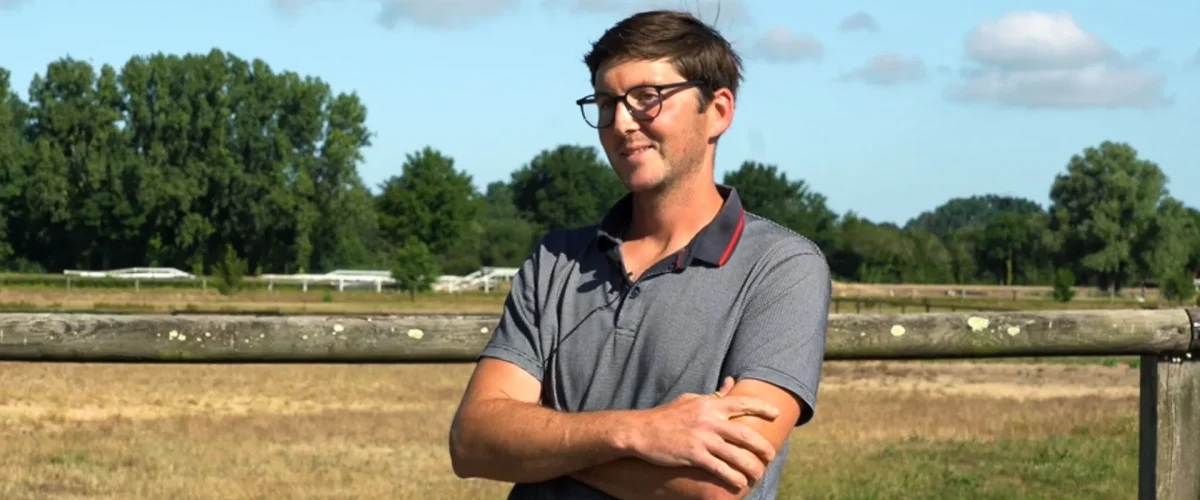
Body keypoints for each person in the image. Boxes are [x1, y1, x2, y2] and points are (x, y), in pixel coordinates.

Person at [448, 9, 831, 500]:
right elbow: (472, 441)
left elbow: (714, 485)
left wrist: (544, 451)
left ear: (718, 111)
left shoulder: (782, 268)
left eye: (647, 98)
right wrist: (636, 432)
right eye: (607, 103)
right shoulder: (557, 259)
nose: (622, 122)